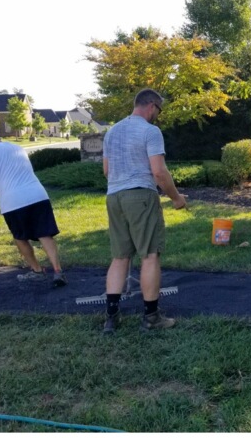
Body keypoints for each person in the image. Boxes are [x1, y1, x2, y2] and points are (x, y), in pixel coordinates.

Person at [102, 89, 187, 333]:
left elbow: (107, 171)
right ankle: (151, 318)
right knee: (149, 255)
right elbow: (159, 172)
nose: (157, 116)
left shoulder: (112, 132)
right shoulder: (150, 131)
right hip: (140, 196)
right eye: (158, 111)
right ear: (151, 105)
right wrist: (176, 198)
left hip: (114, 197)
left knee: (120, 257)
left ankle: (111, 317)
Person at [0, 129, 66, 287]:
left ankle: (37, 271)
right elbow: (4, 177)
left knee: (20, 237)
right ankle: (58, 271)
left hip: (14, 202)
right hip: (39, 196)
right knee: (45, 234)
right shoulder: (17, 148)